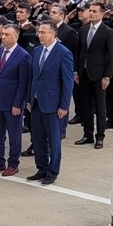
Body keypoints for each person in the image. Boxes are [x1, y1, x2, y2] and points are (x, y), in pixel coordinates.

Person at [26, 22, 74, 185]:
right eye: (39, 32)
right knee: (38, 138)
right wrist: (29, 99)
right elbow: (33, 77)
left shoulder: (63, 53)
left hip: (53, 104)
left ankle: (52, 171)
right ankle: (42, 168)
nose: (40, 35)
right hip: (37, 102)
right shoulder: (37, 51)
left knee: (53, 140)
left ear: (53, 34)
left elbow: (67, 82)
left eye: (43, 32)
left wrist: (64, 105)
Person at [0, 24, 31, 177]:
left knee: (14, 134)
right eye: (3, 34)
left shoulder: (23, 56)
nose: (3, 37)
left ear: (15, 37)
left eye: (7, 34)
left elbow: (23, 83)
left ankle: (13, 163)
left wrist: (18, 104)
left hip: (12, 103)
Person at [74, 2, 113, 149]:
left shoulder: (107, 31)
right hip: (84, 73)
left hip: (98, 74)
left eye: (95, 11)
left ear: (102, 14)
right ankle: (87, 134)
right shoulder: (83, 30)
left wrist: (107, 76)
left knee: (100, 107)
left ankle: (100, 136)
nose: (91, 14)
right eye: (90, 11)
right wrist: (76, 71)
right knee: (86, 105)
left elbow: (111, 56)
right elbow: (78, 52)